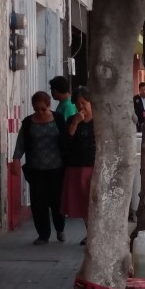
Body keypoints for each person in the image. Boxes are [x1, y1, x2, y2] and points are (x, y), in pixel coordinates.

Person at [11, 91, 67, 245]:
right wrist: (16, 159)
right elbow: (21, 143)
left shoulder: (59, 119)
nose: (40, 112)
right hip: (36, 169)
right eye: (37, 110)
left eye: (43, 109)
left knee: (57, 202)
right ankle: (43, 234)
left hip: (57, 168)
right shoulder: (28, 122)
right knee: (38, 203)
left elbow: (67, 140)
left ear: (49, 106)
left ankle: (60, 228)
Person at [61, 86, 95, 246]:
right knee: (83, 203)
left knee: (94, 202)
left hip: (94, 166)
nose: (81, 107)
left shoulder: (99, 120)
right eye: (78, 104)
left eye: (84, 103)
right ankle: (90, 234)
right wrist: (74, 123)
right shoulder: (72, 120)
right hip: (77, 165)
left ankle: (96, 234)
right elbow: (66, 143)